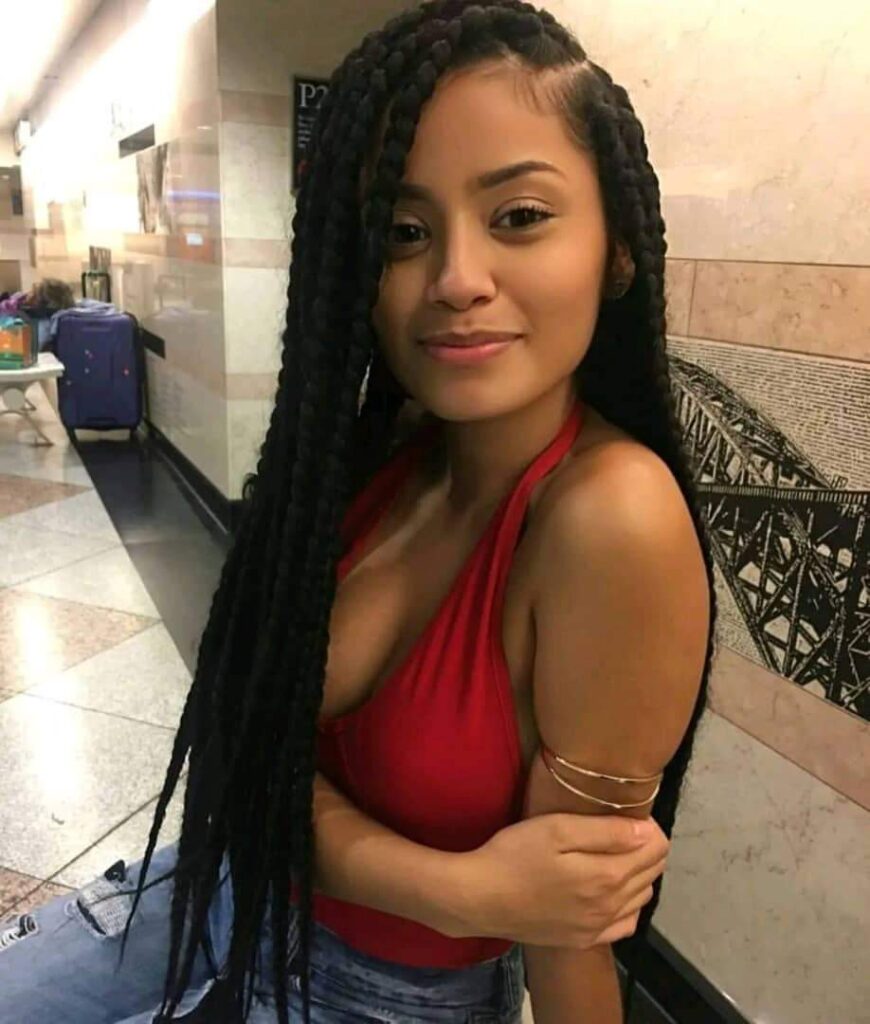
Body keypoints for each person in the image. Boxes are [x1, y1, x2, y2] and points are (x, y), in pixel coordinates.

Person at [0, 1, 716, 1022]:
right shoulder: (388, 449)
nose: (457, 279)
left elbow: (570, 927)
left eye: (519, 216)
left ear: (618, 250)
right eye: (406, 232)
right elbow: (253, 748)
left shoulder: (613, 520)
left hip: (384, 995)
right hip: (216, 884)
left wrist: (455, 897)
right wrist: (460, 888)